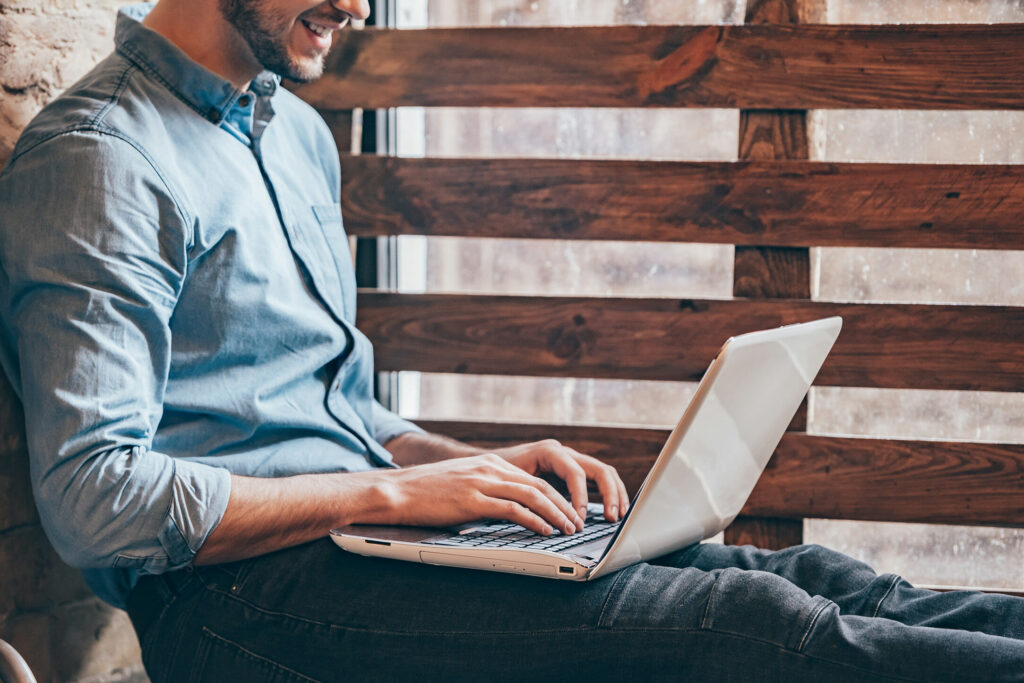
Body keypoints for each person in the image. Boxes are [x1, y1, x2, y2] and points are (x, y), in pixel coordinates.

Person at [0, 0, 1021, 680]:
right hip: (230, 607)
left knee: (816, 582)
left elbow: (338, 411)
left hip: (358, 541)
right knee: (764, 633)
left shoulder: (296, 135)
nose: (359, 2)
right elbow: (97, 500)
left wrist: (475, 470)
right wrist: (397, 496)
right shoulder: (101, 160)